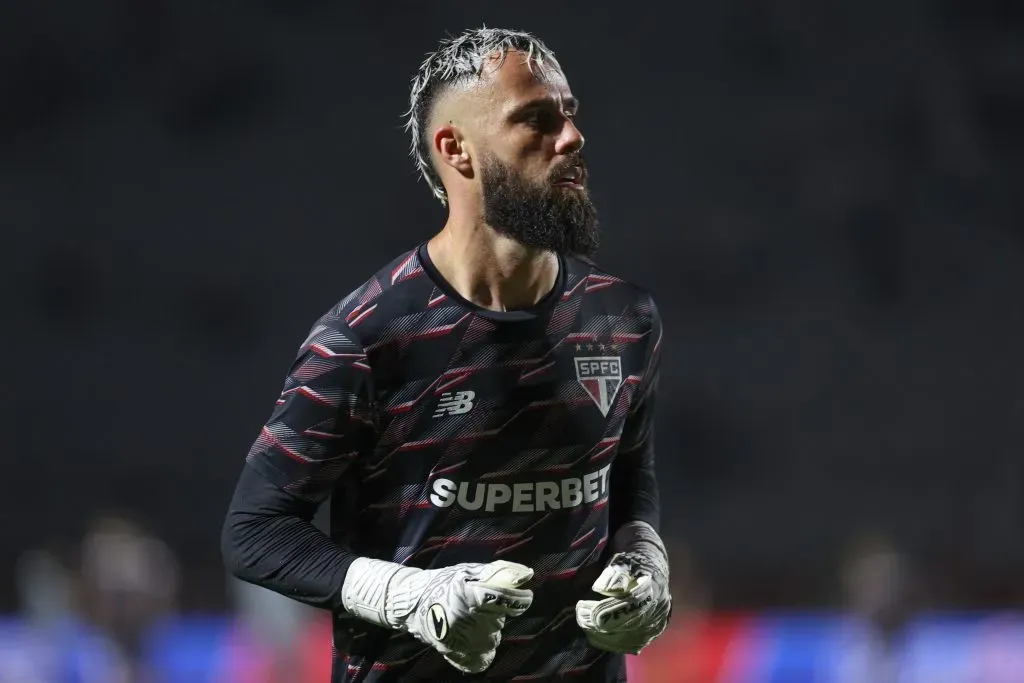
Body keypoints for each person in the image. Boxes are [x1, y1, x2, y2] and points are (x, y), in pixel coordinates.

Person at [222, 26, 672, 682]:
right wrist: (409, 597)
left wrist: (644, 557)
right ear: (456, 149)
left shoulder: (625, 319)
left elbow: (629, 478)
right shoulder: (369, 337)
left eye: (569, 115)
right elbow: (255, 530)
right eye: (536, 119)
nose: (572, 138)